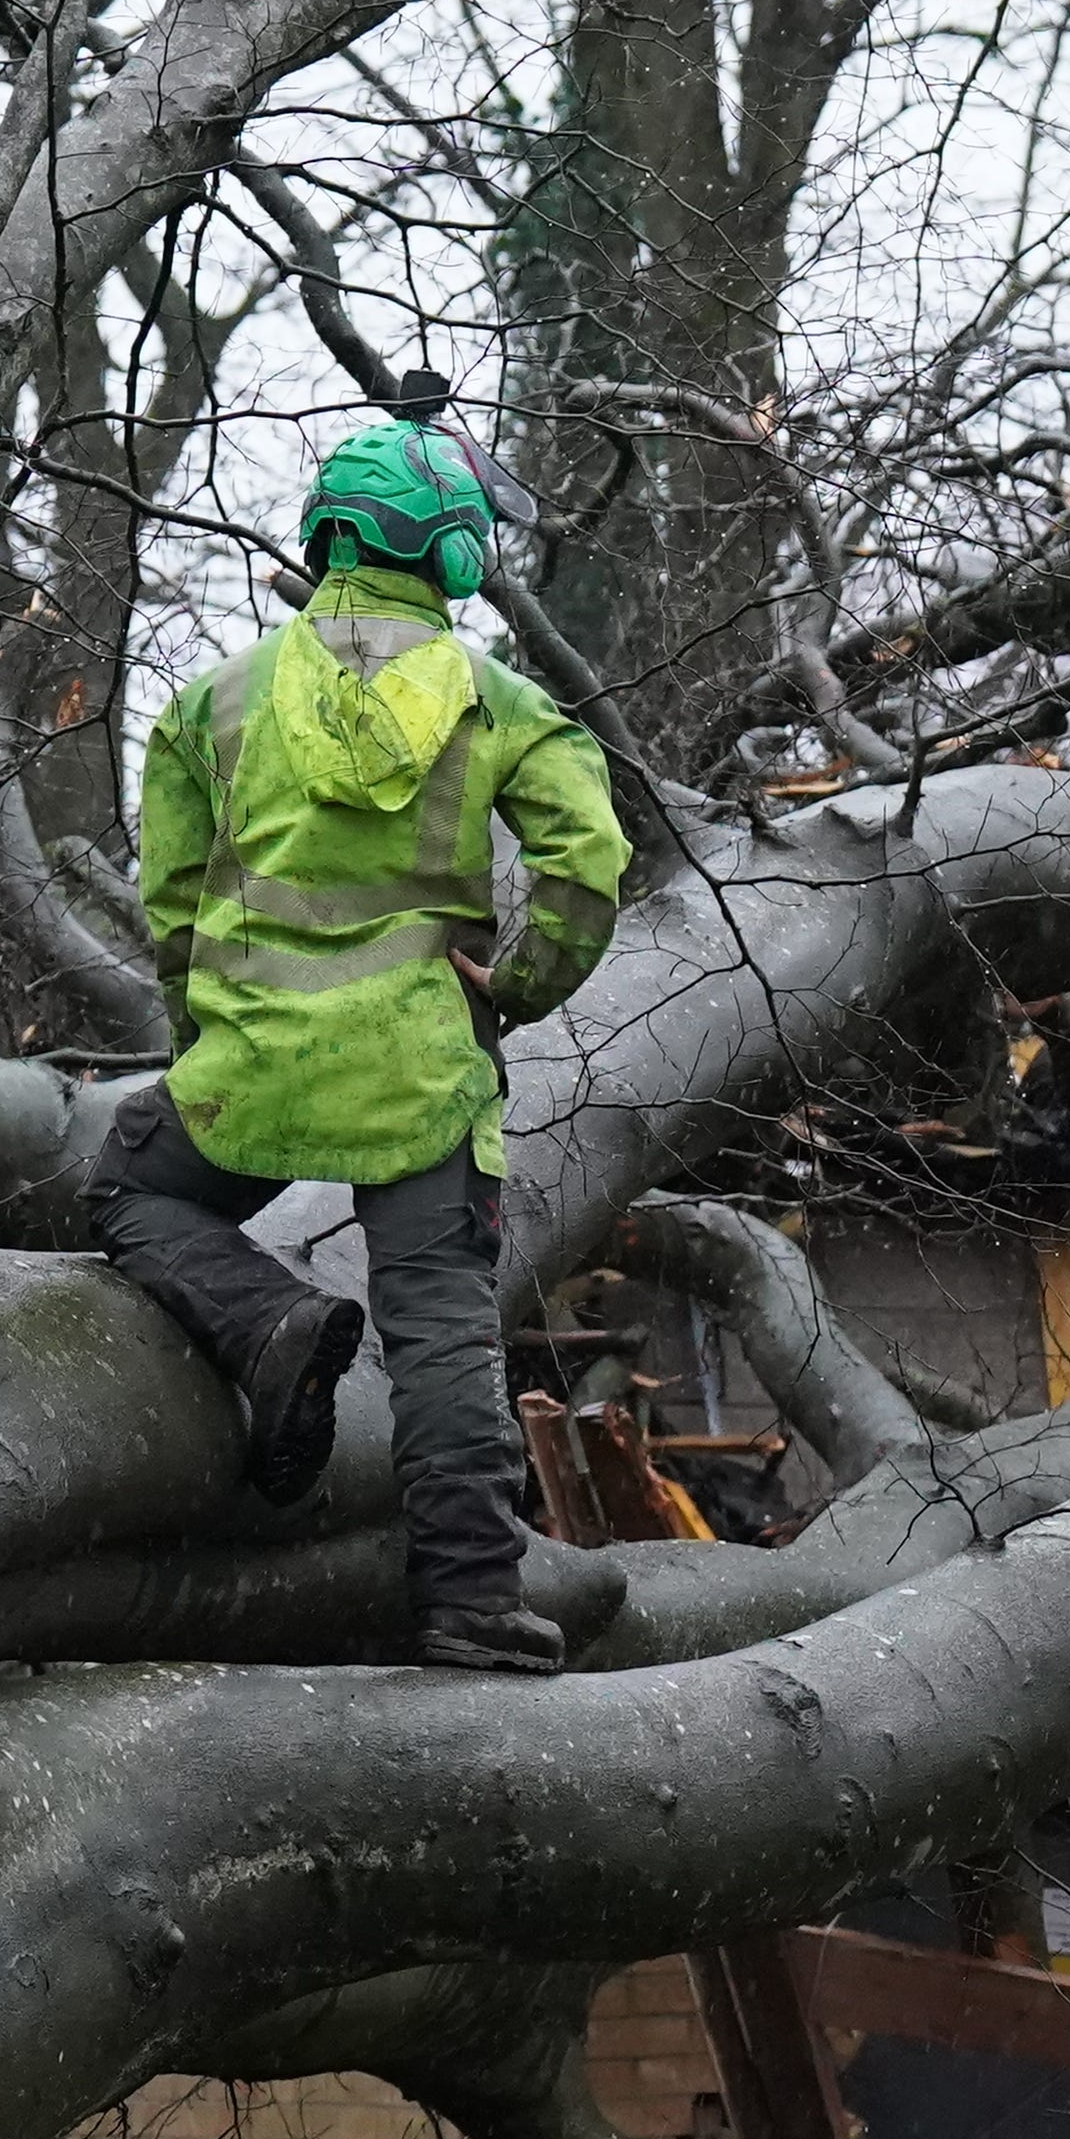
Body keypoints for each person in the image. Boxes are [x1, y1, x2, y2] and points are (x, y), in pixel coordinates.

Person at [93, 381, 629, 1674]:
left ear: (325, 533)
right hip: (424, 1073)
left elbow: (169, 902)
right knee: (440, 1319)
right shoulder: (495, 699)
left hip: (256, 1063)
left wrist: (210, 1027)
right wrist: (527, 981)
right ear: (451, 553)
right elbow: (590, 859)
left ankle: (267, 1321)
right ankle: (468, 1600)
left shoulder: (210, 705)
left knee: (129, 1186)